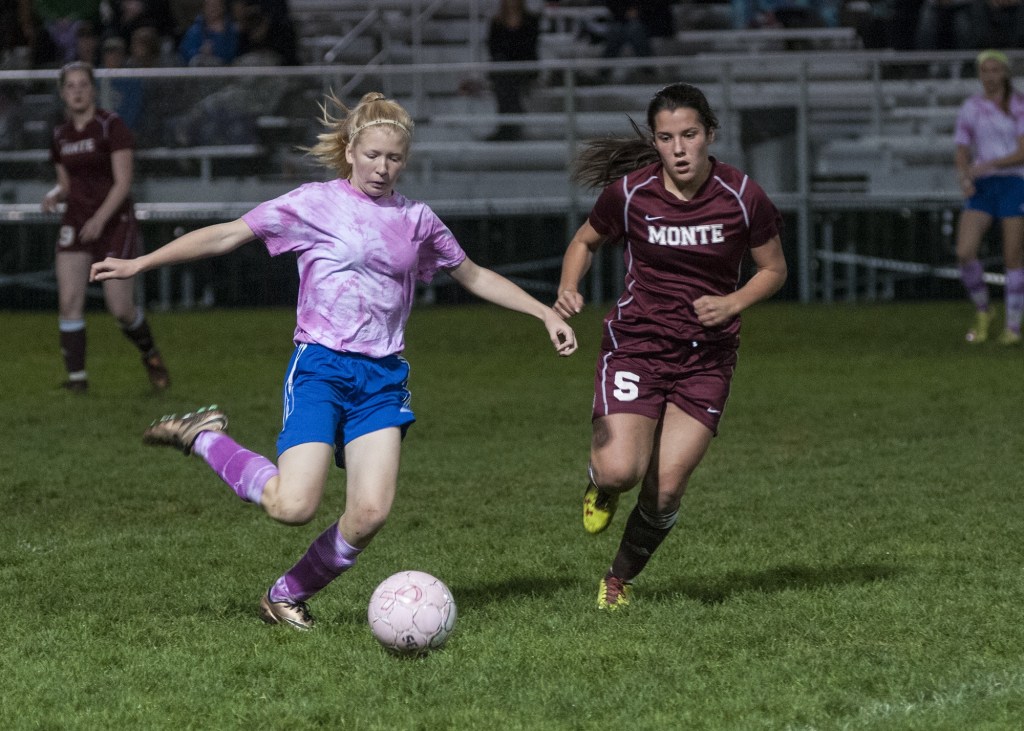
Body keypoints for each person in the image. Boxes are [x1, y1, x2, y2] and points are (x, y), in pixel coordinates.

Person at [90, 91, 578, 630]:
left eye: (394, 158)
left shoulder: (417, 219)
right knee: (292, 506)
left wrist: (543, 313)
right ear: (350, 151)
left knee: (370, 514)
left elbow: (475, 274)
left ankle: (286, 594)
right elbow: (229, 233)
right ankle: (204, 436)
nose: (382, 168)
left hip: (382, 379)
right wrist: (141, 262)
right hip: (321, 368)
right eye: (372, 155)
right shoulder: (315, 203)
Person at [553, 82, 788, 610]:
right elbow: (585, 240)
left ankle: (618, 579)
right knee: (620, 470)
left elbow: (774, 269)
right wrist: (570, 285)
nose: (679, 148)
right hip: (636, 345)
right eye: (666, 137)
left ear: (709, 134)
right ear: (655, 142)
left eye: (689, 135)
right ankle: (602, 483)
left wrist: (732, 304)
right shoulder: (632, 194)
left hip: (706, 358)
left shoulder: (743, 196)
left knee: (664, 491)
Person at [43, 61, 170, 393]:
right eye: (70, 86)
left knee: (121, 309)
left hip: (114, 221)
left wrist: (100, 219)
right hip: (76, 222)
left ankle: (150, 354)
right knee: (69, 299)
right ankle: (77, 381)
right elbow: (65, 183)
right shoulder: (60, 135)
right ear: (62, 93)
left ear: (93, 89)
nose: (77, 91)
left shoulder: (110, 126)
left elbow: (124, 181)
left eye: (83, 84)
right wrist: (54, 194)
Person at [954, 49, 1024, 346]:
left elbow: (1022, 152)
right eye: (986, 70)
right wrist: (965, 176)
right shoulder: (971, 107)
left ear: (1005, 73)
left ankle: (1013, 325)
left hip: (1013, 183)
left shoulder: (1018, 105)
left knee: (1012, 257)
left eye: (996, 70)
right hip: (983, 186)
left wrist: (989, 164)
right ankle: (984, 310)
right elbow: (961, 147)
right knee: (964, 251)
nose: (991, 75)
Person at [485, 0, 540, 141]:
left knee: (506, 78)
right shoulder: (496, 22)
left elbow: (529, 48)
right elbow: (493, 48)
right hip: (504, 69)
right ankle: (511, 125)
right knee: (504, 77)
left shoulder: (531, 20)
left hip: (525, 67)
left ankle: (508, 127)